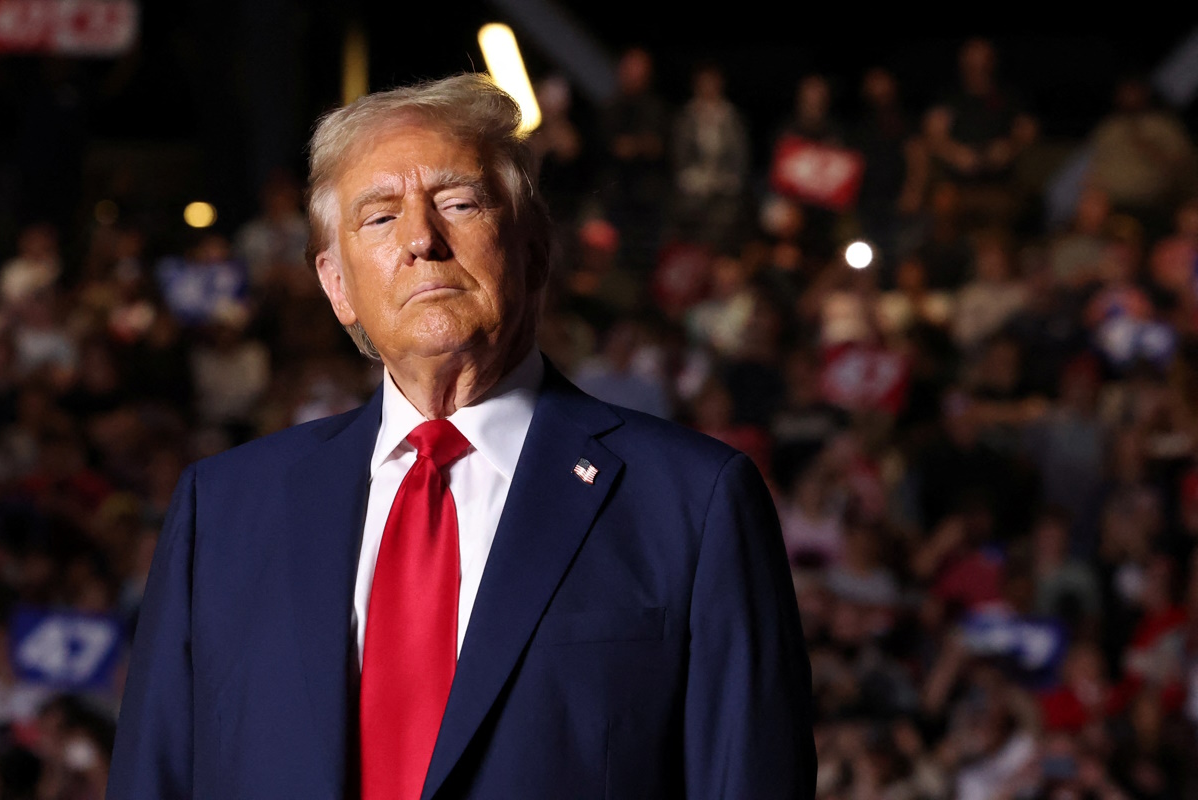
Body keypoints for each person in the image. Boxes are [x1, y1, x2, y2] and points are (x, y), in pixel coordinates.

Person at [106, 74, 815, 799]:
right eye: (379, 217)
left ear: (535, 250)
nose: (421, 238)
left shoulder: (692, 503)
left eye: (459, 202)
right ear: (336, 284)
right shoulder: (222, 511)